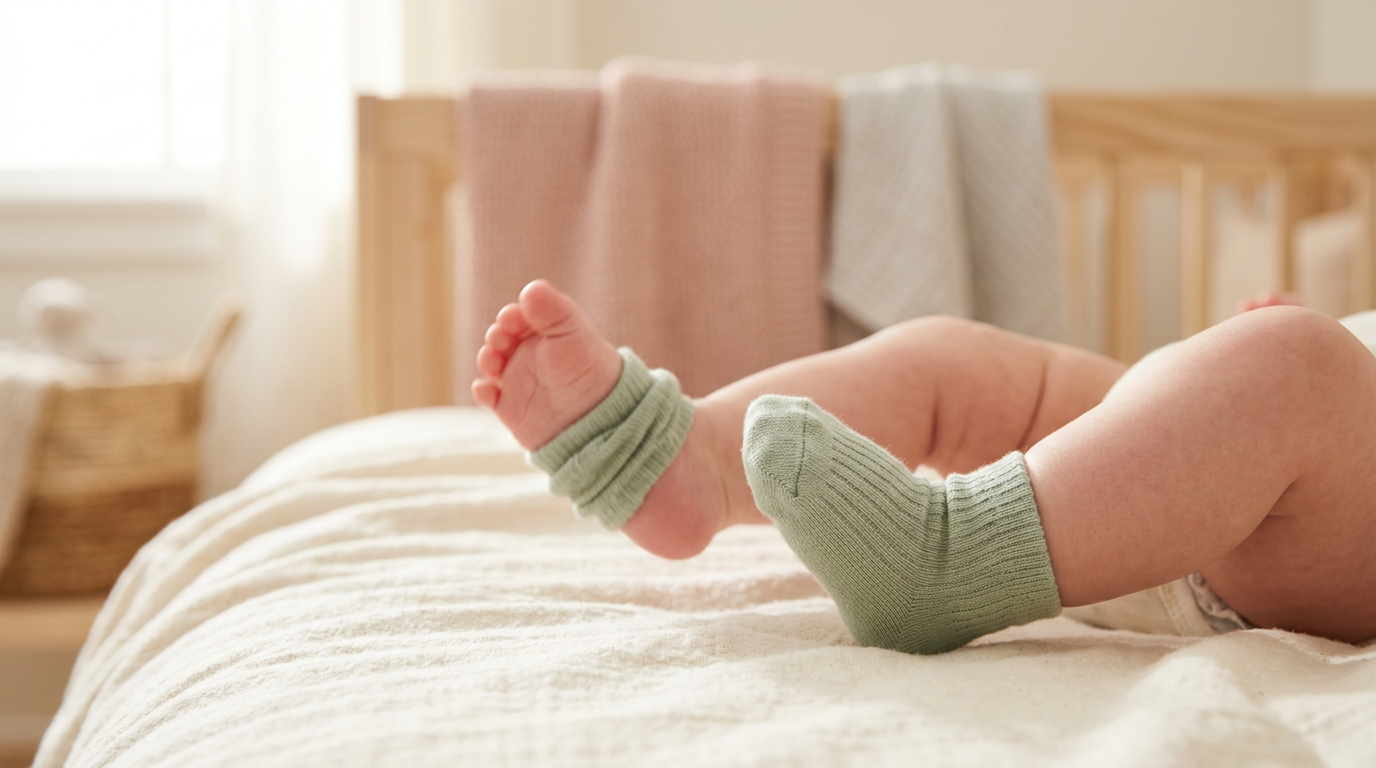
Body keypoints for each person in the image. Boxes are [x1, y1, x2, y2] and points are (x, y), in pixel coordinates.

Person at [471, 280, 1376, 654]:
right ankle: (692, 463)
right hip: (1164, 488)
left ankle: (945, 561)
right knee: (958, 363)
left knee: (1295, 361)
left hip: (1306, 555)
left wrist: (1299, 382)